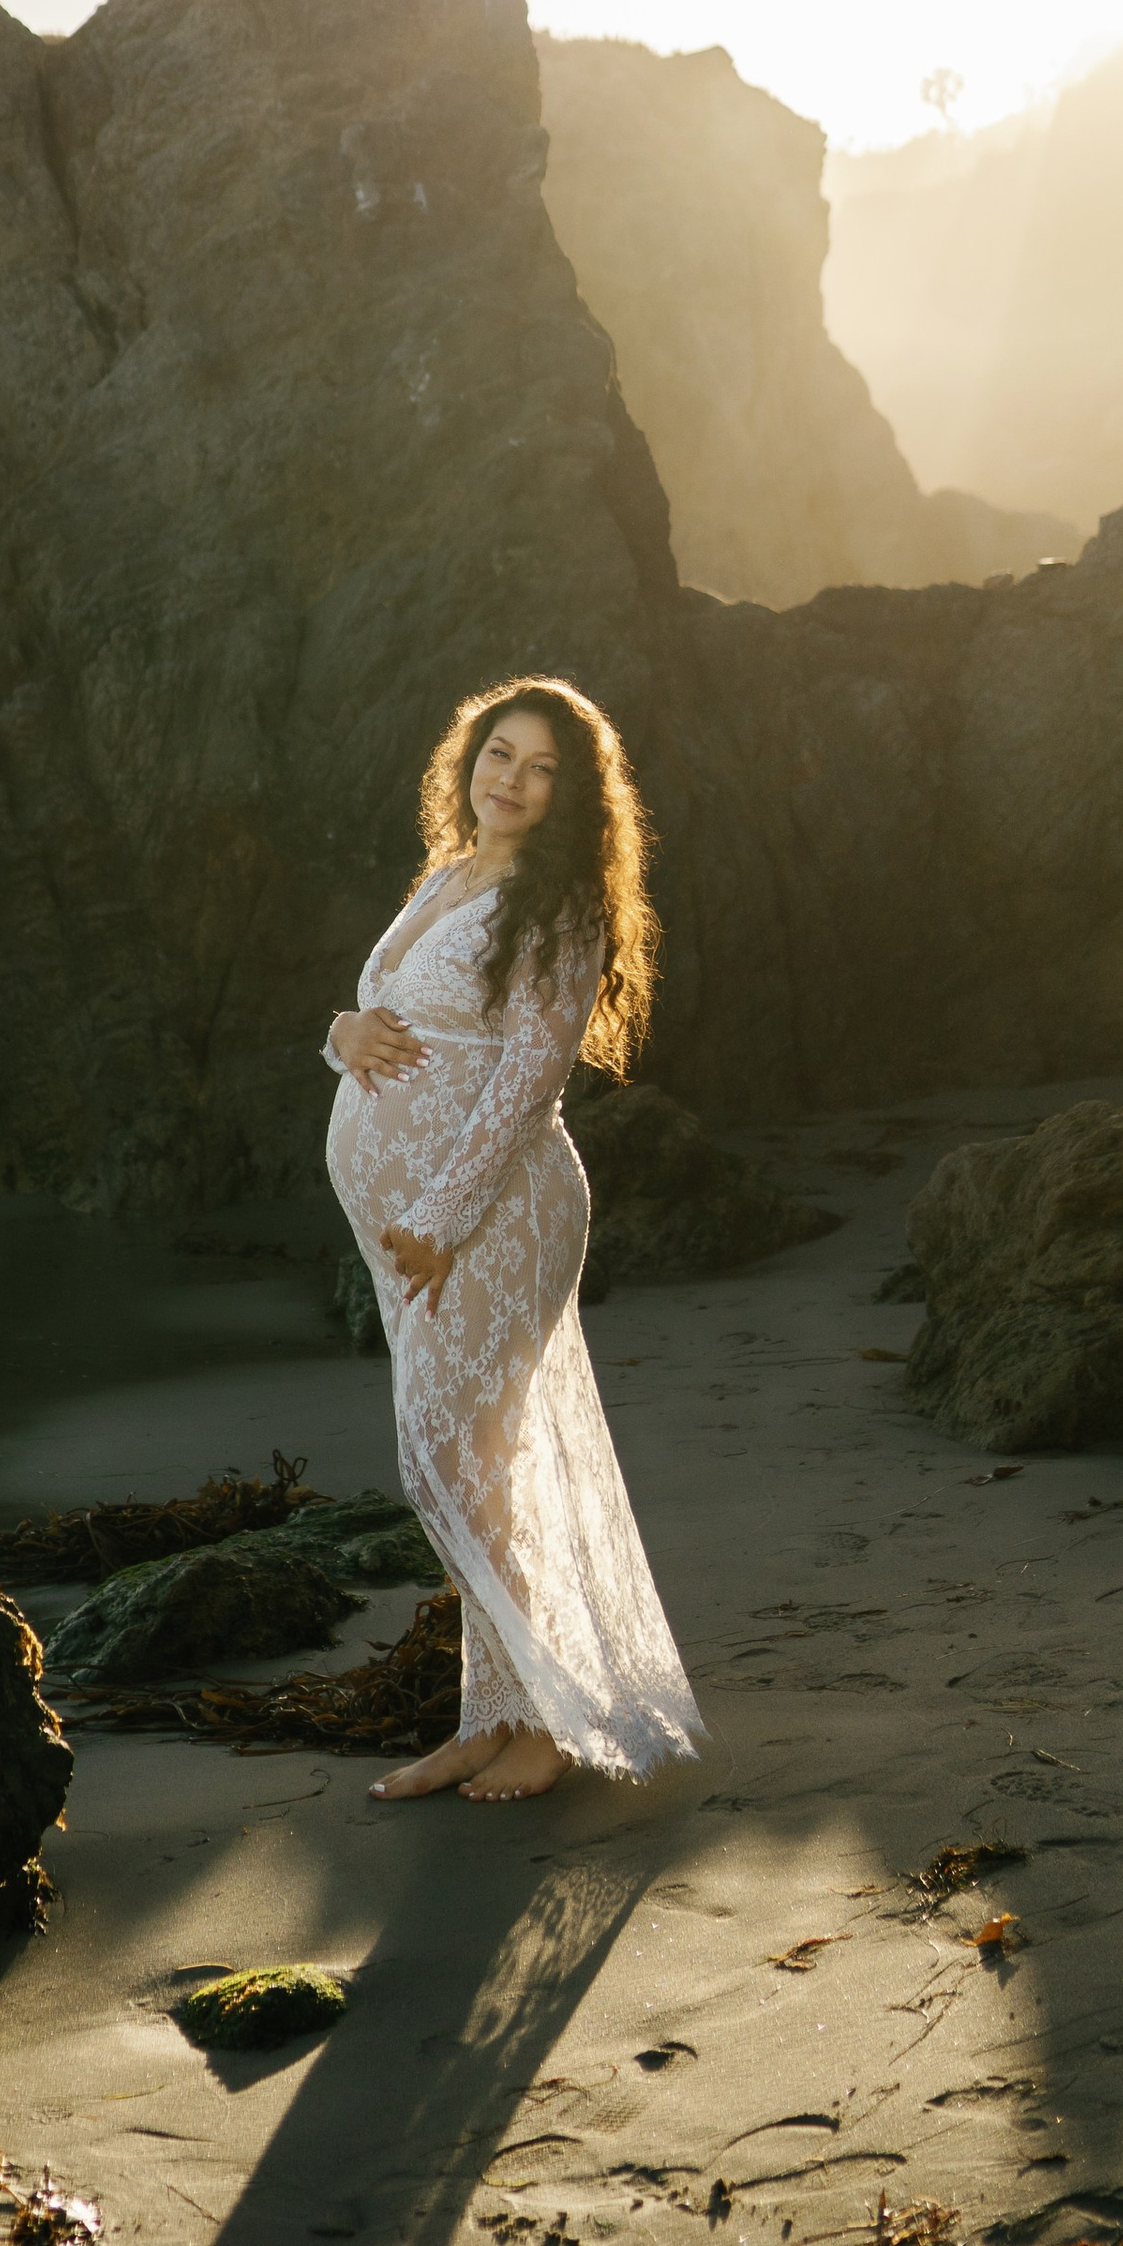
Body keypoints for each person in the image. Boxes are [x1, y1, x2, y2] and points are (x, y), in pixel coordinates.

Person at [325, 676, 703, 1803]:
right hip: (414, 1234)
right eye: (501, 753)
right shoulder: (448, 873)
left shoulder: (562, 907)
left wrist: (441, 1224)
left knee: (445, 1459)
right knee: (468, 1462)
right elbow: (391, 1017)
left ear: (571, 796)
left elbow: (527, 1081)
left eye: (543, 769)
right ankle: (484, 1717)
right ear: (470, 757)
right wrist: (340, 1034)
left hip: (498, 1215)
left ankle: (546, 1718)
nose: (514, 780)